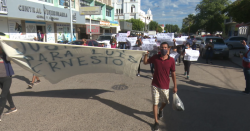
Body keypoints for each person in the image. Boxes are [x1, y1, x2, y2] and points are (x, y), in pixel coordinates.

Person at [143, 42, 177, 131]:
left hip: (165, 86)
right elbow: (145, 62)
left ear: (168, 49)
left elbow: (173, 73)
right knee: (155, 103)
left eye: (165, 47)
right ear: (159, 49)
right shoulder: (155, 58)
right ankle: (156, 122)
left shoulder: (171, 60)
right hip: (155, 85)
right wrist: (146, 55)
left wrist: (175, 86)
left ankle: (161, 110)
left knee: (164, 102)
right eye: (162, 47)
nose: (164, 49)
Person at [0, 46, 17, 122]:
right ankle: (13, 107)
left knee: (3, 96)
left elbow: (12, 55)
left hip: (7, 78)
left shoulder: (6, 55)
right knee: (6, 92)